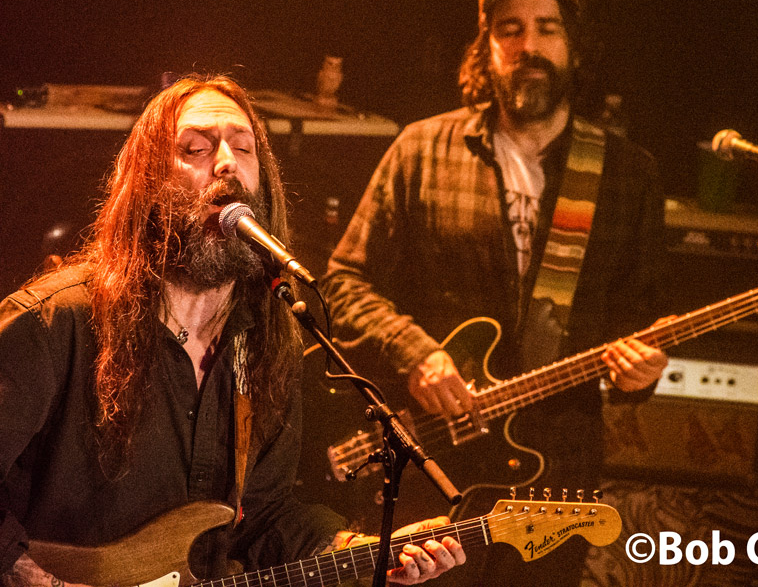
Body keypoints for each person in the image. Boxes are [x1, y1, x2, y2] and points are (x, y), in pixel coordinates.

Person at [0, 75, 465, 587]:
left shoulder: (264, 344)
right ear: (148, 183)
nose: (226, 162)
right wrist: (30, 576)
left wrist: (363, 552)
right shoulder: (55, 324)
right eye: (196, 148)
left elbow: (263, 518)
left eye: (244, 148)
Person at [323, 0, 668, 587]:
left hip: (556, 480)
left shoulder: (627, 175)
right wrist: (415, 352)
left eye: (547, 27)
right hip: (431, 463)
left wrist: (642, 374)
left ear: (575, 45)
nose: (528, 44)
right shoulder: (421, 149)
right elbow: (343, 282)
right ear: (486, 45)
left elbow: (636, 323)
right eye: (510, 28)